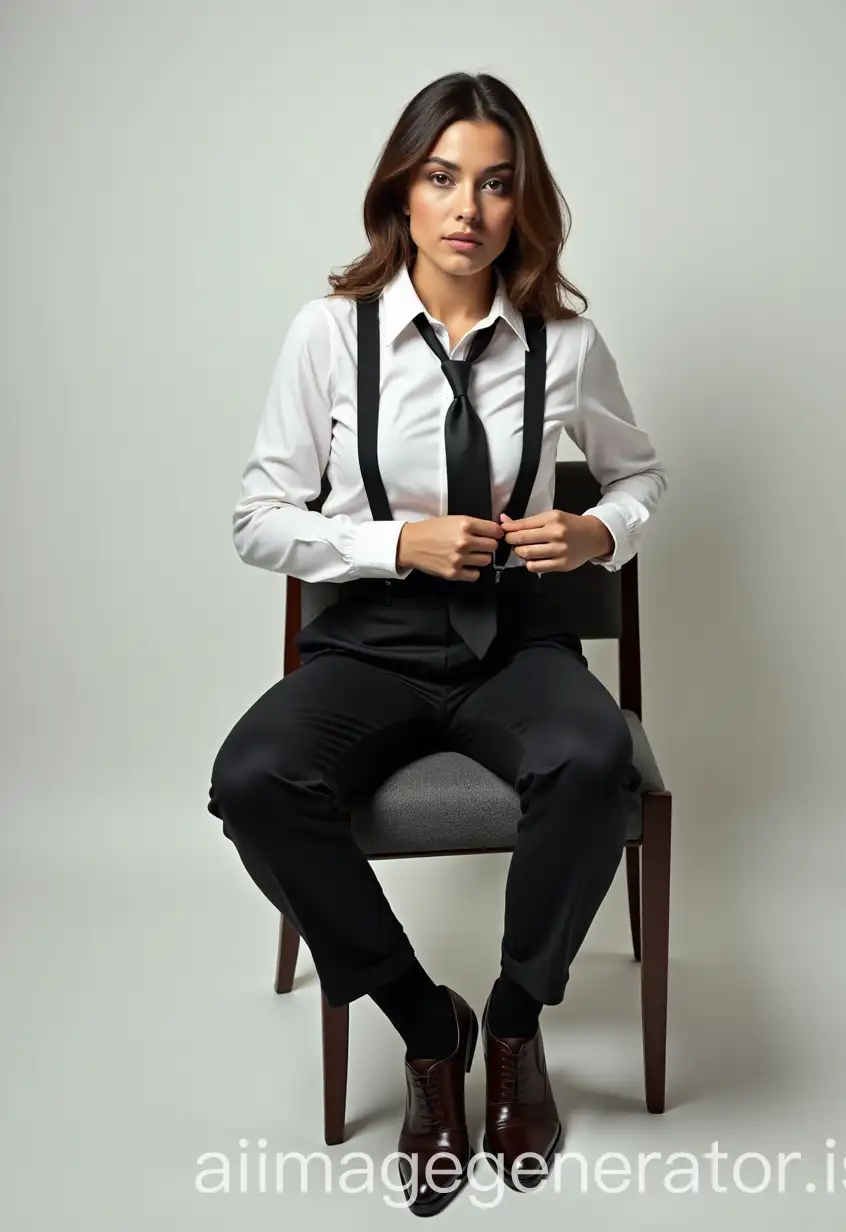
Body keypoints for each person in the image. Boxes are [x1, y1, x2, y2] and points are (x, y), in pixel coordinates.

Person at [207, 70, 668, 1215]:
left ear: (522, 204)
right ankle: (428, 1027)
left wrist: (596, 528)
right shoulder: (328, 333)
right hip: (371, 643)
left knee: (592, 757)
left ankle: (512, 1026)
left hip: (516, 640)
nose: (467, 207)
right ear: (402, 195)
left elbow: (638, 475)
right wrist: (393, 543)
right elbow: (257, 520)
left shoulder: (562, 339)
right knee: (253, 779)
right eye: (442, 178)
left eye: (495, 184)